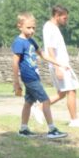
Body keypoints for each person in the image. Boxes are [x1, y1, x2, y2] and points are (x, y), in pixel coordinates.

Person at [11, 12, 67, 140]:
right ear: (20, 26)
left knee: (28, 102)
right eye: (28, 28)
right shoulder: (19, 42)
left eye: (33, 28)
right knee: (45, 101)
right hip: (29, 77)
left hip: (34, 76)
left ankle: (23, 129)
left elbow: (43, 54)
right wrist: (16, 82)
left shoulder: (31, 41)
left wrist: (59, 63)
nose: (32, 31)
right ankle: (52, 129)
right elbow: (15, 62)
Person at [42, 5, 79, 128]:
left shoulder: (53, 28)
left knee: (62, 94)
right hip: (59, 65)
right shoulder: (50, 28)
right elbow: (50, 49)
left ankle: (39, 107)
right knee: (71, 90)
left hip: (62, 64)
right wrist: (57, 67)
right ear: (57, 16)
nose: (66, 20)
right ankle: (74, 120)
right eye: (64, 18)